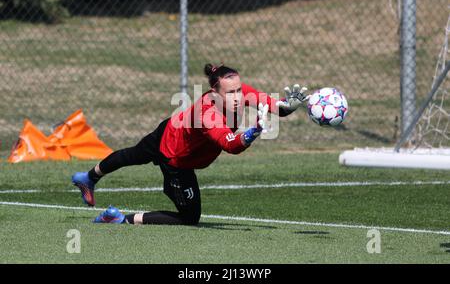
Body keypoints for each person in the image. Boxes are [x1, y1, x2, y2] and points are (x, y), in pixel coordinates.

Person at [72, 63, 308, 225]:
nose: (238, 97)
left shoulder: (239, 93)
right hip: (175, 158)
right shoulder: (207, 114)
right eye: (231, 93)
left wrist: (290, 106)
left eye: (239, 90)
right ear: (214, 92)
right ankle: (120, 218)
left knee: (133, 154)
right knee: (189, 217)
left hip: (172, 128)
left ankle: (89, 178)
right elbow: (231, 145)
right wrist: (254, 130)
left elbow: (271, 105)